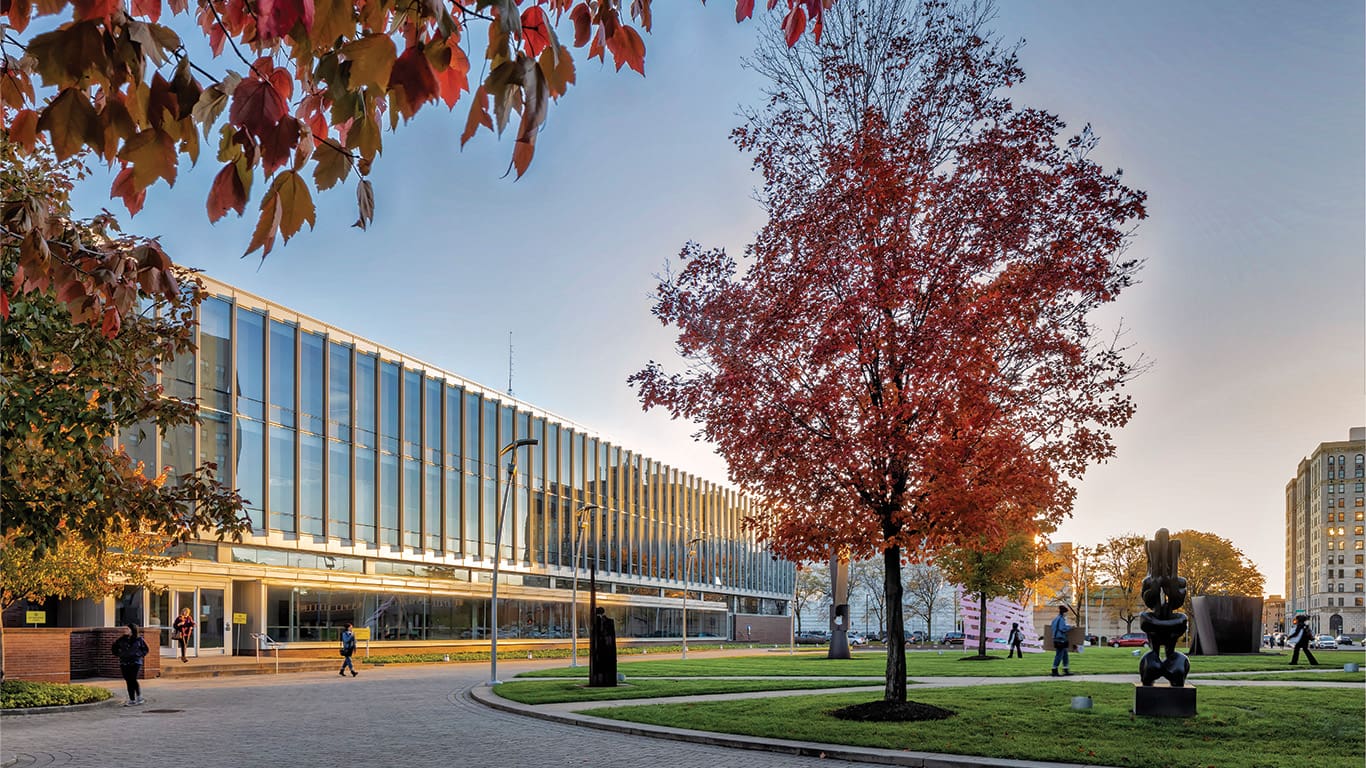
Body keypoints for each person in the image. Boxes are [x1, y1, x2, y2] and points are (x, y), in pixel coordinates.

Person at [111, 623, 149, 705]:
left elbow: (145, 650)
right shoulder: (121, 640)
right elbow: (114, 648)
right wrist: (120, 654)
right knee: (128, 680)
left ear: (132, 630)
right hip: (124, 662)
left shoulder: (139, 640)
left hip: (135, 662)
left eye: (127, 629)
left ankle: (139, 696)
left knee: (133, 678)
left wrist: (138, 655)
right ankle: (132, 699)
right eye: (125, 629)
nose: (125, 630)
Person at [1049, 605, 1072, 676]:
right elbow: (1062, 628)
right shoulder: (1061, 619)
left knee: (1065, 654)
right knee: (1059, 655)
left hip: (1057, 638)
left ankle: (1066, 669)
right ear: (1064, 612)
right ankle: (1054, 669)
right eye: (1066, 613)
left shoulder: (1056, 619)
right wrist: (1070, 627)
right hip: (1060, 639)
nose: (1066, 614)